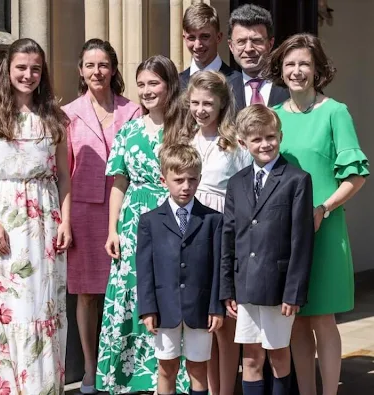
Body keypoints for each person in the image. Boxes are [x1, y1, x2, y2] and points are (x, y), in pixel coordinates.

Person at [265, 33, 370, 395]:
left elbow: (356, 176)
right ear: (280, 69)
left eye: (304, 64)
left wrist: (324, 208)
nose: (297, 71)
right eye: (290, 64)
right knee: (295, 319)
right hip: (284, 234)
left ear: (317, 69)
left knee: (322, 318)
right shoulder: (273, 118)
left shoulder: (334, 112)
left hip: (324, 228)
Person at [0, 38, 72, 395]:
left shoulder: (53, 117)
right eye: (22, 68)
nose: (28, 75)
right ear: (8, 69)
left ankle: (44, 386)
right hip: (5, 220)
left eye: (35, 69)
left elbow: (64, 175)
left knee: (43, 304)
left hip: (44, 221)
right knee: (11, 307)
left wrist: (66, 221)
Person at [95, 55, 189, 394]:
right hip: (133, 222)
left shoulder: (184, 128)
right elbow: (118, 183)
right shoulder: (129, 130)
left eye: (154, 83)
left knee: (167, 291)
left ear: (169, 85)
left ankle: (170, 378)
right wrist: (112, 229)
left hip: (171, 217)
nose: (147, 91)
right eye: (142, 84)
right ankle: (128, 377)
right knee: (131, 296)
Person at [62, 38, 141, 394]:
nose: (97, 71)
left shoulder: (133, 111)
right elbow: (64, 169)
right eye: (90, 65)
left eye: (104, 64)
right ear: (81, 70)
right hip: (84, 210)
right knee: (87, 294)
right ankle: (91, 371)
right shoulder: (67, 114)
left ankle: (127, 369)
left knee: (127, 291)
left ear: (114, 69)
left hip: (126, 209)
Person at [219, 104, 315, 395]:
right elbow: (229, 234)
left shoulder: (297, 180)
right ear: (243, 143)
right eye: (257, 139)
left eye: (270, 136)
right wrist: (227, 288)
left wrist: (293, 292)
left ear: (280, 136)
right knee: (250, 356)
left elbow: (302, 241)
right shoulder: (237, 183)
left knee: (277, 353)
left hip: (277, 286)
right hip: (245, 284)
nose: (265, 144)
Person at [175, 70, 252, 395]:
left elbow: (247, 194)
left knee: (224, 321)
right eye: (195, 102)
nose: (201, 109)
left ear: (222, 104)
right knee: (201, 320)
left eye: (208, 103)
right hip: (191, 233)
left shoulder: (235, 145)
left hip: (223, 232)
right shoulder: (184, 140)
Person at [137, 144, 225, 395]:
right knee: (167, 367)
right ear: (164, 180)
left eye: (192, 179)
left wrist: (216, 307)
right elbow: (144, 270)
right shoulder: (150, 221)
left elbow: (218, 267)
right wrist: (148, 309)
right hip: (165, 309)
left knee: (198, 369)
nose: (186, 186)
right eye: (179, 180)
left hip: (200, 308)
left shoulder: (213, 220)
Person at [227, 4, 289, 113]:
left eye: (256, 41)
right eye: (241, 42)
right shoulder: (223, 90)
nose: (248, 48)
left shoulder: (290, 85)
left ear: (270, 44)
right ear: (231, 46)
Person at [179, 2, 239, 89]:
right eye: (191, 38)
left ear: (218, 37)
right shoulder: (176, 84)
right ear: (184, 38)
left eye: (205, 37)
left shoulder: (237, 82)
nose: (197, 45)